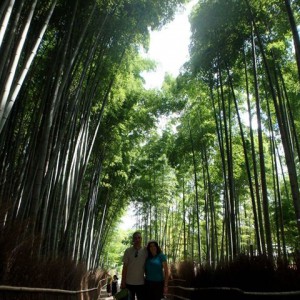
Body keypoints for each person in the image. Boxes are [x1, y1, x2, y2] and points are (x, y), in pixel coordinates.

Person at [120, 231, 148, 300]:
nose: (137, 240)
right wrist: (123, 282)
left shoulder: (146, 251)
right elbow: (125, 267)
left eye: (139, 238)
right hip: (129, 283)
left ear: (141, 239)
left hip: (141, 283)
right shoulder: (128, 251)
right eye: (135, 238)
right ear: (133, 240)